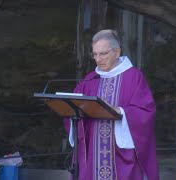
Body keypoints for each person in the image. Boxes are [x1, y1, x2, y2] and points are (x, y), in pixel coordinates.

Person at [64, 29, 158, 180]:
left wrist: (120, 112)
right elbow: (73, 108)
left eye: (103, 53)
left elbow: (146, 112)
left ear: (117, 51)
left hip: (120, 154)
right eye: (94, 54)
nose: (98, 59)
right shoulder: (91, 79)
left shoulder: (133, 76)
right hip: (93, 153)